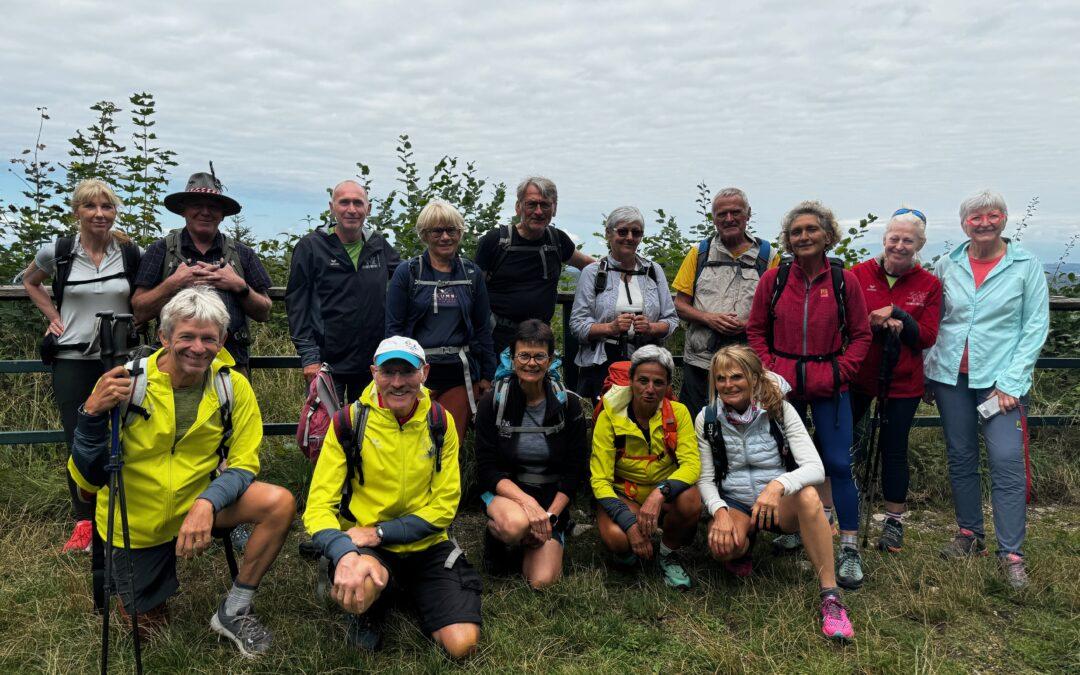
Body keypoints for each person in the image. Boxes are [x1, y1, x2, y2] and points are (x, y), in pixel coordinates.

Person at [68, 286, 295, 655]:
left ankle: (234, 609)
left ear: (222, 341)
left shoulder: (232, 385)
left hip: (199, 501)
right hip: (135, 520)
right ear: (163, 336)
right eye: (186, 336)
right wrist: (91, 414)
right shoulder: (124, 382)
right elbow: (89, 476)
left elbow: (243, 463)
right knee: (151, 633)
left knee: (279, 503)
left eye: (209, 338)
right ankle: (139, 584)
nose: (198, 347)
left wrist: (207, 502)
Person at [303, 336, 480, 658]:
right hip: (368, 547)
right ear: (374, 373)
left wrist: (380, 531)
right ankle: (370, 600)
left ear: (424, 372)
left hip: (426, 543)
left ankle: (404, 588)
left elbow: (444, 507)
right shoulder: (348, 422)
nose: (397, 383)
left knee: (462, 645)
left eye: (407, 372)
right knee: (357, 587)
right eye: (388, 372)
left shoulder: (441, 423)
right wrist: (344, 552)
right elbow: (317, 507)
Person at [923, 190, 1049, 588]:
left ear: (1005, 219)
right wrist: (928, 371)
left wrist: (1012, 383)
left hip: (1001, 384)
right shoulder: (948, 264)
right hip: (951, 377)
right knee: (961, 456)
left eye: (993, 215)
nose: (984, 223)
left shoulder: (1026, 265)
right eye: (975, 217)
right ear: (964, 224)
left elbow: (1034, 327)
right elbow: (934, 319)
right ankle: (969, 534)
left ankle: (1011, 552)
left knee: (1007, 462)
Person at [746, 200, 871, 589]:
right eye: (796, 232)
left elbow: (861, 335)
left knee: (837, 462)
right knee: (785, 460)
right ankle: (796, 527)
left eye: (811, 230)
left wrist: (841, 370)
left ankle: (848, 547)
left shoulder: (842, 281)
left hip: (830, 383)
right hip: (782, 386)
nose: (803, 237)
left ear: (828, 236)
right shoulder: (775, 279)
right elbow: (755, 331)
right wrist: (771, 373)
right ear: (788, 239)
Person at [696, 345, 853, 640]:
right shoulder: (708, 418)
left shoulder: (780, 409)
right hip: (736, 501)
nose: (728, 385)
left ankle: (831, 597)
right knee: (722, 548)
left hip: (778, 503)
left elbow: (815, 468)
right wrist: (719, 512)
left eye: (736, 376)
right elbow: (705, 479)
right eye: (721, 378)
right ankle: (744, 544)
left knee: (808, 496)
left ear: (754, 378)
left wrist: (778, 485)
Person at [21, 179, 141, 554]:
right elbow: (30, 281)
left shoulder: (129, 252)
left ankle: (123, 513)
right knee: (78, 439)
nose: (100, 214)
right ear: (77, 212)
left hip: (120, 357)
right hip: (72, 358)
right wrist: (54, 316)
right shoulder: (58, 251)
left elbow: (141, 297)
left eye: (107, 207)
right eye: (91, 207)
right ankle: (84, 523)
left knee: (126, 436)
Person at [850, 208, 942, 553]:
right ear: (884, 239)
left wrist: (898, 314)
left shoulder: (929, 284)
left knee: (894, 449)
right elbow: (848, 322)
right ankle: (840, 511)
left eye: (908, 240)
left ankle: (893, 522)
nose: (900, 246)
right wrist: (874, 323)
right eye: (894, 238)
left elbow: (926, 336)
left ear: (920, 244)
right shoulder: (858, 274)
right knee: (846, 442)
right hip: (859, 375)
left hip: (903, 380)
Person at [474, 320, 588, 588]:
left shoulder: (568, 404)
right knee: (515, 524)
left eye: (539, 356)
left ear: (550, 360)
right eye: (524, 355)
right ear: (512, 359)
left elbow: (575, 469)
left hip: (552, 498)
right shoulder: (493, 402)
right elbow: (487, 468)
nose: (531, 363)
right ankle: (502, 536)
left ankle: (537, 537)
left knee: (541, 581)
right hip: (508, 493)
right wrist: (529, 506)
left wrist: (550, 516)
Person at [131, 170, 272, 376]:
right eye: (197, 205)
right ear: (183, 210)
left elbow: (265, 311)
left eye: (213, 206)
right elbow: (139, 311)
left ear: (222, 214)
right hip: (171, 366)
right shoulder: (159, 250)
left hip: (231, 367)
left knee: (233, 409)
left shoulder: (243, 254)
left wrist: (239, 286)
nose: (205, 212)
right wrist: (174, 283)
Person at [590, 345, 701, 588]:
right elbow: (599, 480)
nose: (650, 390)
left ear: (668, 385)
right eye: (642, 380)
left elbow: (692, 464)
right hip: (625, 493)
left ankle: (667, 552)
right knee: (619, 538)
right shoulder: (609, 415)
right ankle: (629, 553)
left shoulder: (679, 412)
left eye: (658, 383)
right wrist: (629, 526)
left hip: (663, 493)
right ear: (630, 381)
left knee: (692, 500)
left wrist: (660, 492)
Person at [385, 199, 494, 442]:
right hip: (415, 371)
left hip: (459, 372)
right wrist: (395, 373)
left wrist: (487, 374)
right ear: (425, 234)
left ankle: (449, 483)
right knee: (413, 443)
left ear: (460, 233)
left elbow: (482, 328)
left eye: (451, 230)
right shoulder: (409, 272)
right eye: (437, 231)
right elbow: (393, 329)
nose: (445, 237)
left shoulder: (472, 274)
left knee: (449, 444)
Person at [286, 180, 401, 403]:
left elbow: (407, 281)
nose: (351, 209)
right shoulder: (311, 246)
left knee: (370, 432)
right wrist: (309, 356)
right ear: (332, 207)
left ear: (368, 209)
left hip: (372, 363)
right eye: (344, 202)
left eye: (358, 203)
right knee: (325, 432)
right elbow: (297, 305)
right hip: (326, 364)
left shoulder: (378, 245)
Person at [671, 187, 780, 418]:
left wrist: (748, 323)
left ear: (748, 214)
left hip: (749, 363)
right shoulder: (698, 253)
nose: (729, 219)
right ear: (714, 219)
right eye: (722, 214)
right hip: (701, 363)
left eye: (735, 212)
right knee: (696, 423)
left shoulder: (769, 256)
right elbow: (680, 305)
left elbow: (778, 308)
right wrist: (709, 318)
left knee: (749, 425)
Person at [474, 176, 594, 355]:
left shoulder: (557, 240)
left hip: (539, 338)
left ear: (554, 209)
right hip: (497, 337)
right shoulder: (495, 241)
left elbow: (586, 264)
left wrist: (621, 270)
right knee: (497, 383)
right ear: (518, 207)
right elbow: (474, 291)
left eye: (545, 205)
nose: (538, 211)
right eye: (531, 204)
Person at [569, 206, 678, 401]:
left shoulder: (653, 271)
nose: (629, 237)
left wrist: (651, 328)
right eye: (622, 231)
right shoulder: (593, 273)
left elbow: (671, 319)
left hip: (648, 362)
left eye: (636, 232)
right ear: (608, 234)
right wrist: (611, 328)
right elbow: (577, 325)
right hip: (603, 364)